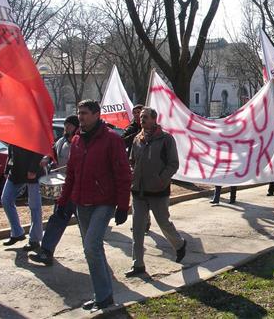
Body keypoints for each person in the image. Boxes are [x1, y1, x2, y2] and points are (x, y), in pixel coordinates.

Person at [57, 99, 131, 312]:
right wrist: (63, 202)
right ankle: (104, 295)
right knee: (93, 249)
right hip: (81, 203)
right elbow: (71, 174)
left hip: (103, 202)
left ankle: (104, 295)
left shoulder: (112, 140)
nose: (80, 117)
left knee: (91, 246)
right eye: (79, 113)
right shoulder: (77, 140)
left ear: (97, 114)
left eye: (85, 113)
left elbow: (123, 175)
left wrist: (123, 206)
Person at [125, 107, 186, 277]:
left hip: (158, 190)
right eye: (140, 117)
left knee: (163, 222)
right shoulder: (137, 139)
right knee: (137, 228)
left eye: (145, 117)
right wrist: (132, 173)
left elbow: (173, 164)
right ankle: (138, 264)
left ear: (154, 119)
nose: (142, 120)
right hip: (138, 190)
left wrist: (161, 179)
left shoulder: (166, 139)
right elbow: (132, 160)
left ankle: (179, 245)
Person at [30, 115, 79, 265]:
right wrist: (47, 158)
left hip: (80, 187)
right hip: (64, 187)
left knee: (86, 224)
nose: (66, 127)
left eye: (70, 125)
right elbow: (51, 153)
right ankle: (46, 251)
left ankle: (95, 254)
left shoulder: (81, 141)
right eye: (66, 125)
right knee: (58, 217)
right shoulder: (61, 141)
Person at [1, 145, 44, 250]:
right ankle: (17, 233)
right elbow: (11, 152)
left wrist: (33, 169)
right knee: (6, 199)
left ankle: (35, 240)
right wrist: (7, 170)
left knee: (34, 206)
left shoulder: (34, 131)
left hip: (33, 173)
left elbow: (39, 150)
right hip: (15, 173)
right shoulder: (13, 131)